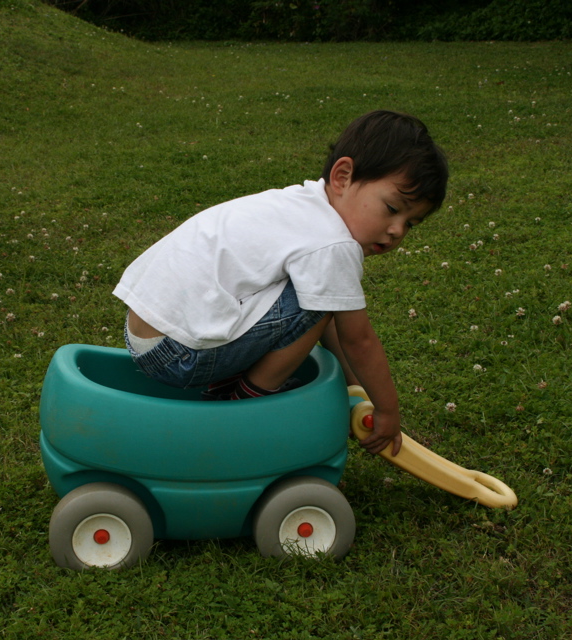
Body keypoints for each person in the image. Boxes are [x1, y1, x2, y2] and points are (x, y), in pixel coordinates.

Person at [113, 110, 448, 457]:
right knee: (317, 301)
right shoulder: (332, 243)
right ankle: (246, 403)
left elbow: (331, 319)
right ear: (343, 177)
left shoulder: (298, 206)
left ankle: (234, 378)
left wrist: (354, 387)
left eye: (412, 223)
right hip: (181, 353)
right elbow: (358, 340)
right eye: (392, 208)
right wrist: (387, 410)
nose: (397, 230)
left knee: (322, 299)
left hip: (146, 337)